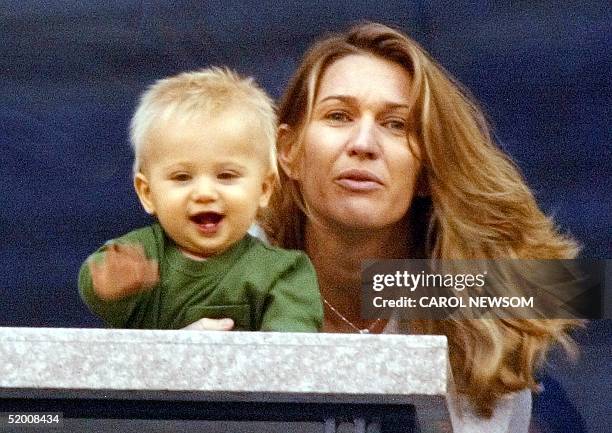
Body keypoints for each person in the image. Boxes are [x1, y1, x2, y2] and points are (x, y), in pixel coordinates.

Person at [258, 23, 581, 432]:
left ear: (427, 171)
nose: (363, 143)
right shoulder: (237, 263)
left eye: (396, 124)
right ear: (289, 151)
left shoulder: (448, 289)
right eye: (338, 116)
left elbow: (575, 289)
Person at [78, 68, 322, 332]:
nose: (204, 193)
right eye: (182, 177)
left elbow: (293, 348)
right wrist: (110, 286)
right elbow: (96, 282)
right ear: (147, 193)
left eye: (226, 176)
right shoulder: (143, 255)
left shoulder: (283, 272)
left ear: (264, 188)